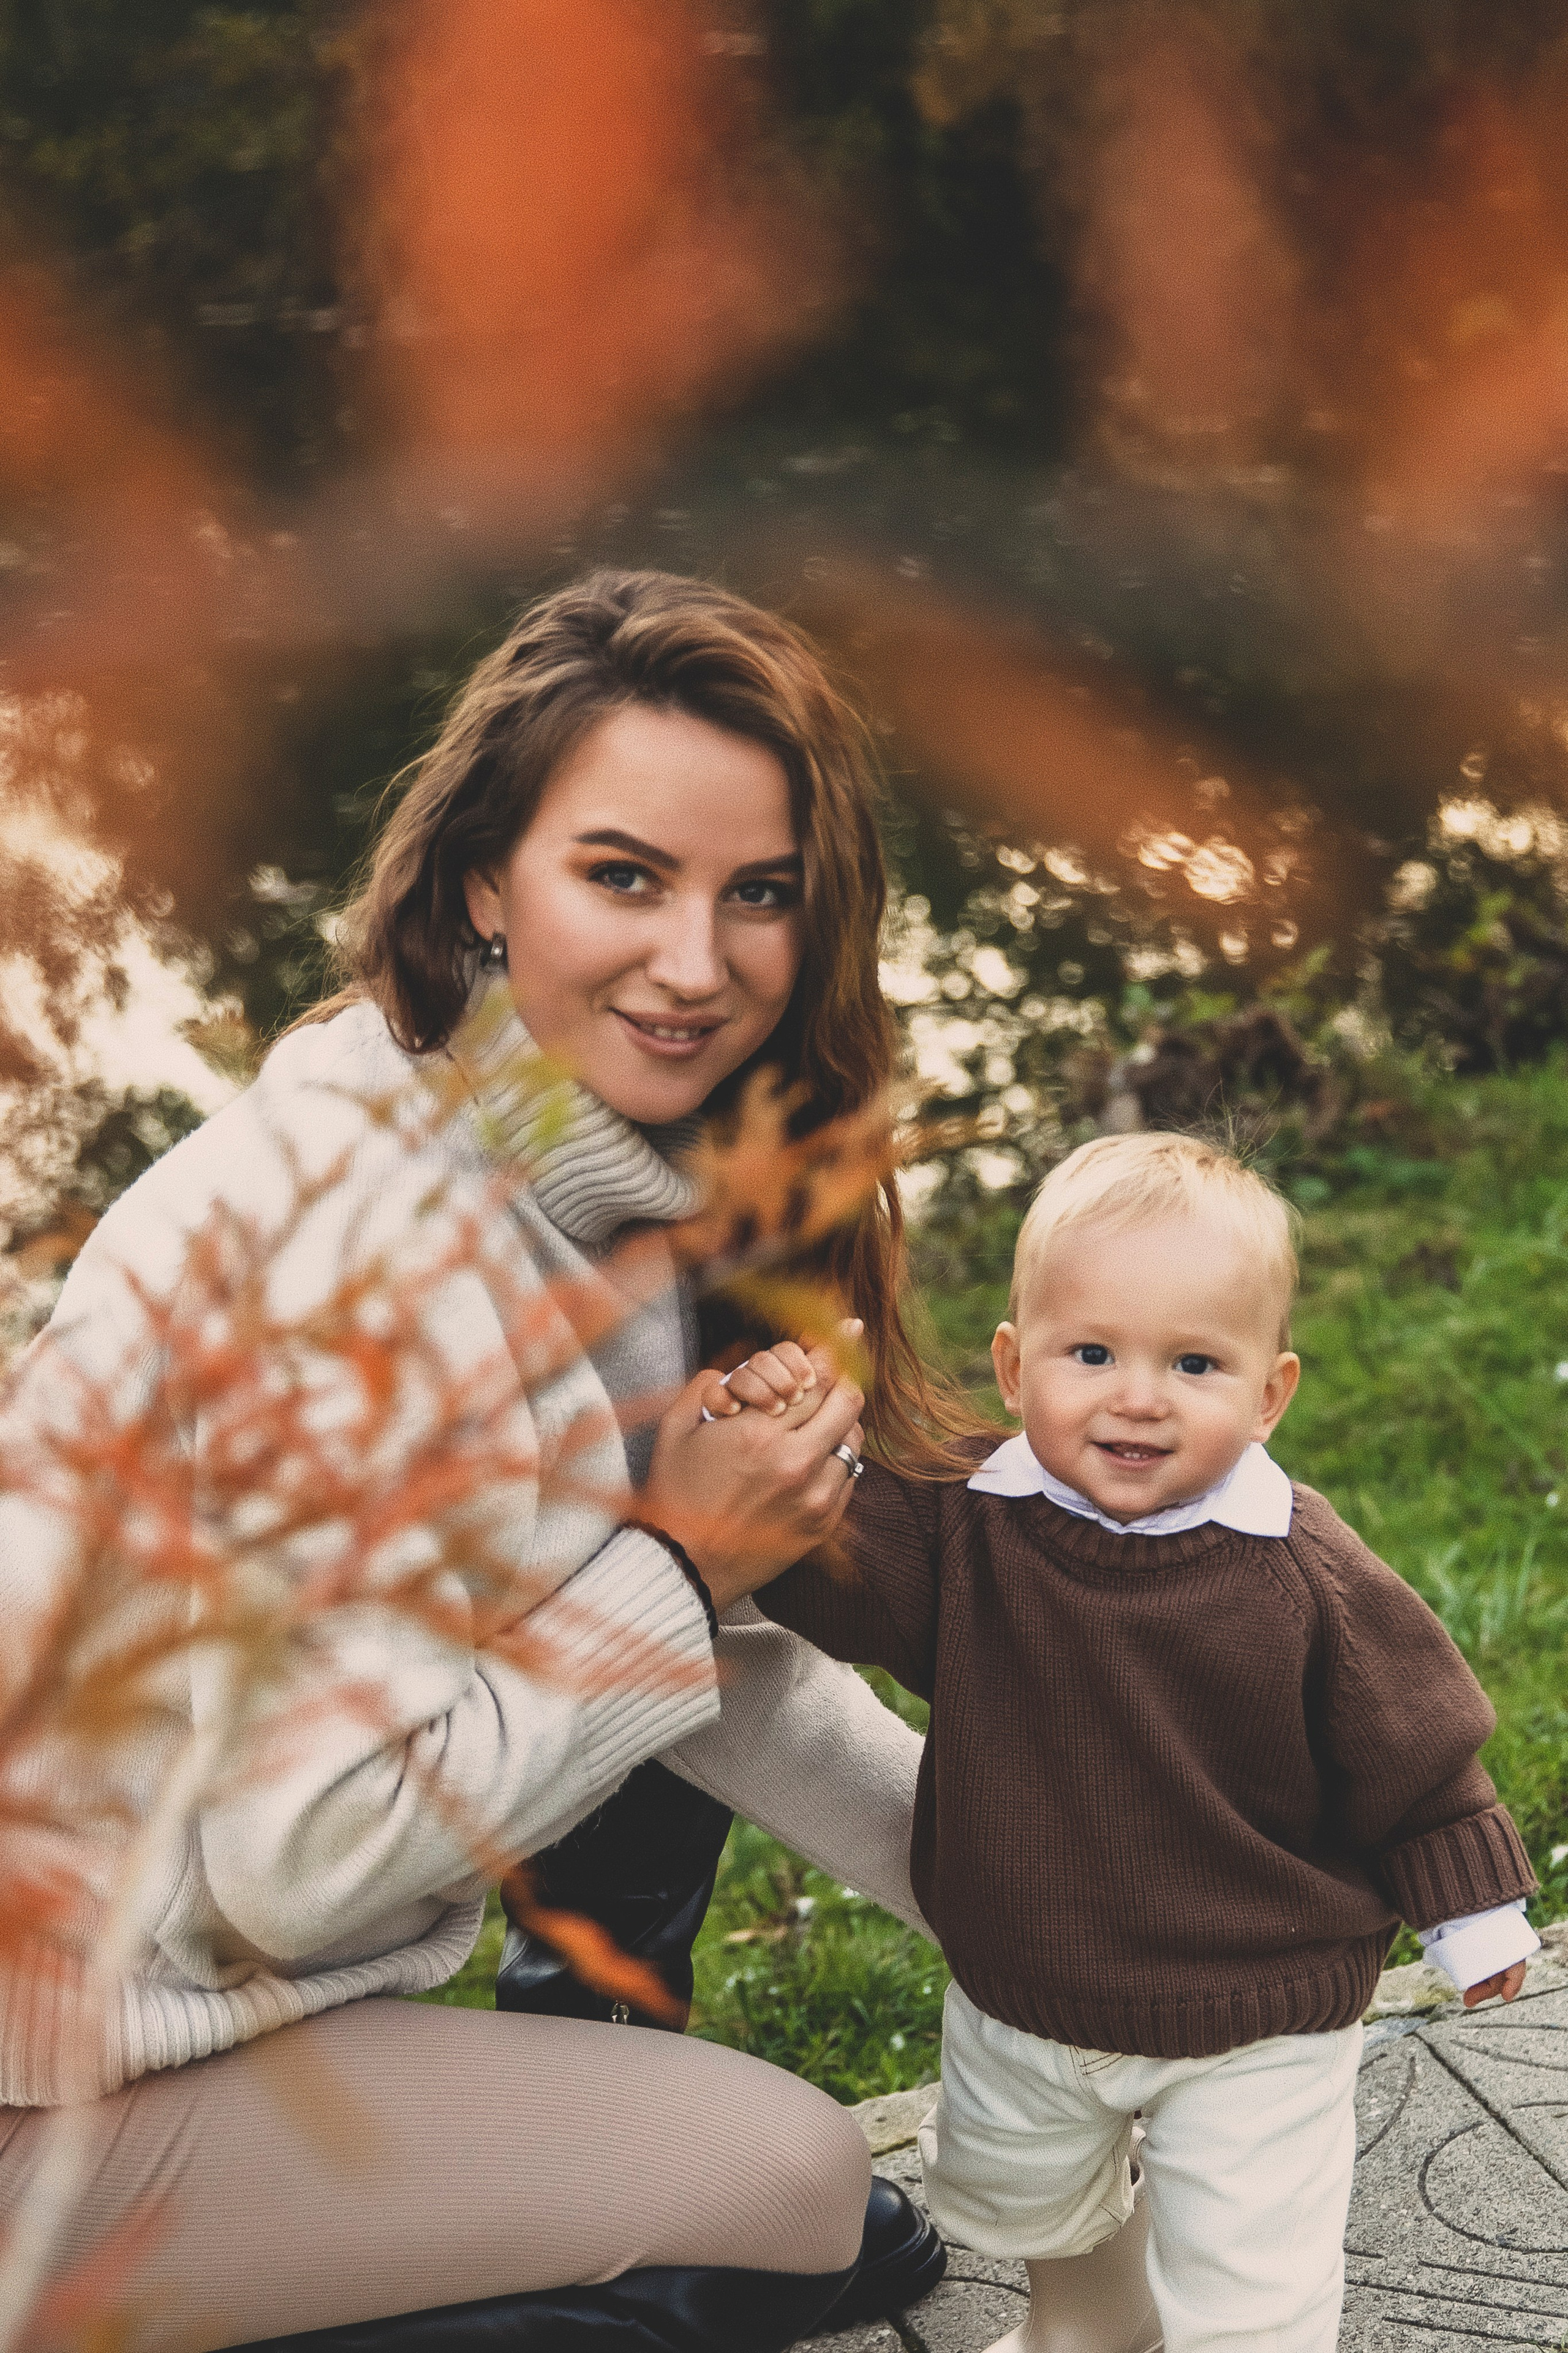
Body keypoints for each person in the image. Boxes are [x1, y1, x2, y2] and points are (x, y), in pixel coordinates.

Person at [0, 570, 972, 2352]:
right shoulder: (370, 1251)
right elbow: (313, 1855)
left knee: (818, 2213)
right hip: (42, 2093)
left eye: (759, 893)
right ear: (481, 883)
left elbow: (699, 1645)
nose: (699, 965)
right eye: (624, 876)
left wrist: (1040, 1896)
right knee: (790, 2198)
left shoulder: (530, 1141)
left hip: (195, 2005)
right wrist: (672, 1570)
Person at [715, 1131, 1540, 2353]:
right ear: (1011, 1364)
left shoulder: (1295, 1567)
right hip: (1026, 1981)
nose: (1136, 1395)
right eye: (1089, 1351)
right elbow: (825, 1561)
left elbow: (1412, 1748)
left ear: (1270, 1392)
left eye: (1193, 1362)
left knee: (1248, 2265)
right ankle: (1087, 2328)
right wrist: (765, 1448)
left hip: (1257, 1997)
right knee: (1038, 2196)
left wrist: (1470, 1908)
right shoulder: (964, 1529)